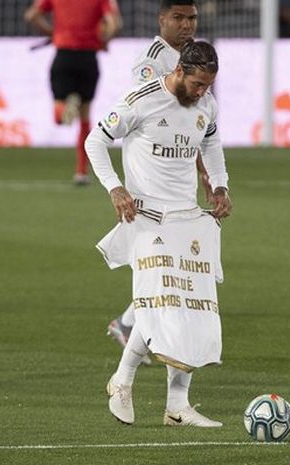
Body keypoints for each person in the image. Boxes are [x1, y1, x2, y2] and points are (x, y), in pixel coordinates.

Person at [85, 39, 232, 427]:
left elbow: (212, 144)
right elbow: (95, 140)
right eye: (198, 84)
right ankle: (123, 380)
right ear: (180, 71)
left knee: (190, 310)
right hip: (146, 217)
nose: (202, 93)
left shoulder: (207, 105)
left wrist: (220, 186)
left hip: (187, 219)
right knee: (158, 304)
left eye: (208, 86)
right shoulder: (141, 99)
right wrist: (115, 187)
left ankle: (177, 406)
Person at [106, 0, 214, 364]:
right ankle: (131, 334)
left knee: (172, 271)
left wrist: (204, 171)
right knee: (166, 272)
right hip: (149, 189)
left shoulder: (195, 58)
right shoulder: (151, 62)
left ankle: (131, 329)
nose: (187, 25)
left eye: (192, 18)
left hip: (176, 185)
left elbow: (191, 124)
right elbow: (148, 121)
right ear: (162, 19)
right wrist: (118, 185)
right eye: (179, 18)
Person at [24, 0, 121, 186]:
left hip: (64, 56)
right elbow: (114, 23)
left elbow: (32, 15)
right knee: (85, 118)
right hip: (88, 59)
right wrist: (104, 40)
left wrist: (52, 33)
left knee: (59, 117)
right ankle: (81, 171)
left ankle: (64, 110)